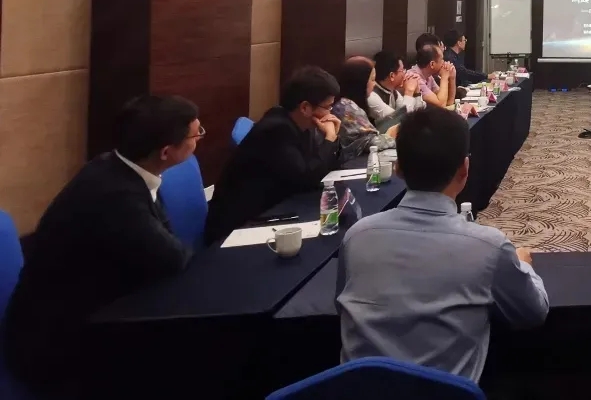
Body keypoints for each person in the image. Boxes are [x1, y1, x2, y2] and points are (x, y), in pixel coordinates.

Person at [337, 107, 549, 381]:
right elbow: (532, 312)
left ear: (398, 168)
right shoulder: (489, 246)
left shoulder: (357, 236)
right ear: (465, 169)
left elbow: (339, 307)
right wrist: (522, 265)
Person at [4, 96, 199, 391]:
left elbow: (164, 244)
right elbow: (171, 257)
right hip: (58, 346)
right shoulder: (115, 196)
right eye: (196, 135)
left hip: (87, 311)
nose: (199, 139)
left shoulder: (116, 167)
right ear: (166, 152)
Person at [204, 66, 342, 244]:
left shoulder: (301, 125)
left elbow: (320, 166)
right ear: (305, 107)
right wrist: (330, 139)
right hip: (239, 226)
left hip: (275, 207)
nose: (330, 114)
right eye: (328, 107)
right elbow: (306, 178)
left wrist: (333, 140)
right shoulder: (276, 130)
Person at [333, 56, 398, 163]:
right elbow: (372, 143)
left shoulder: (347, 103)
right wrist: (391, 134)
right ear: (360, 82)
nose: (374, 84)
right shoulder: (346, 107)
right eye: (372, 79)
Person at [368, 50, 422, 122]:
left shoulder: (393, 92)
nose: (405, 73)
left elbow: (417, 115)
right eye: (402, 70)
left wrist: (416, 93)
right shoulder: (372, 96)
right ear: (392, 76)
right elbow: (398, 121)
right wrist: (409, 91)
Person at [409, 43, 455, 109]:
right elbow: (441, 105)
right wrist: (444, 77)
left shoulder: (428, 76)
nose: (443, 62)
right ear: (432, 64)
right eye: (441, 59)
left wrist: (452, 78)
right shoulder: (415, 78)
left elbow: (448, 102)